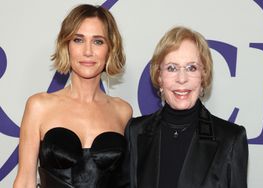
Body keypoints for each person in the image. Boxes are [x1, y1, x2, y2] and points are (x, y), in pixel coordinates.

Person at [13, 4, 132, 188]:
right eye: (78, 40)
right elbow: (25, 181)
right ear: (66, 45)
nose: (87, 51)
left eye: (98, 41)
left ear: (110, 48)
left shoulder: (122, 111)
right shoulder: (39, 106)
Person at [124, 26, 248, 188]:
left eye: (191, 68)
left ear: (203, 76)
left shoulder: (231, 139)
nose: (182, 79)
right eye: (171, 68)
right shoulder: (135, 131)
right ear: (159, 77)